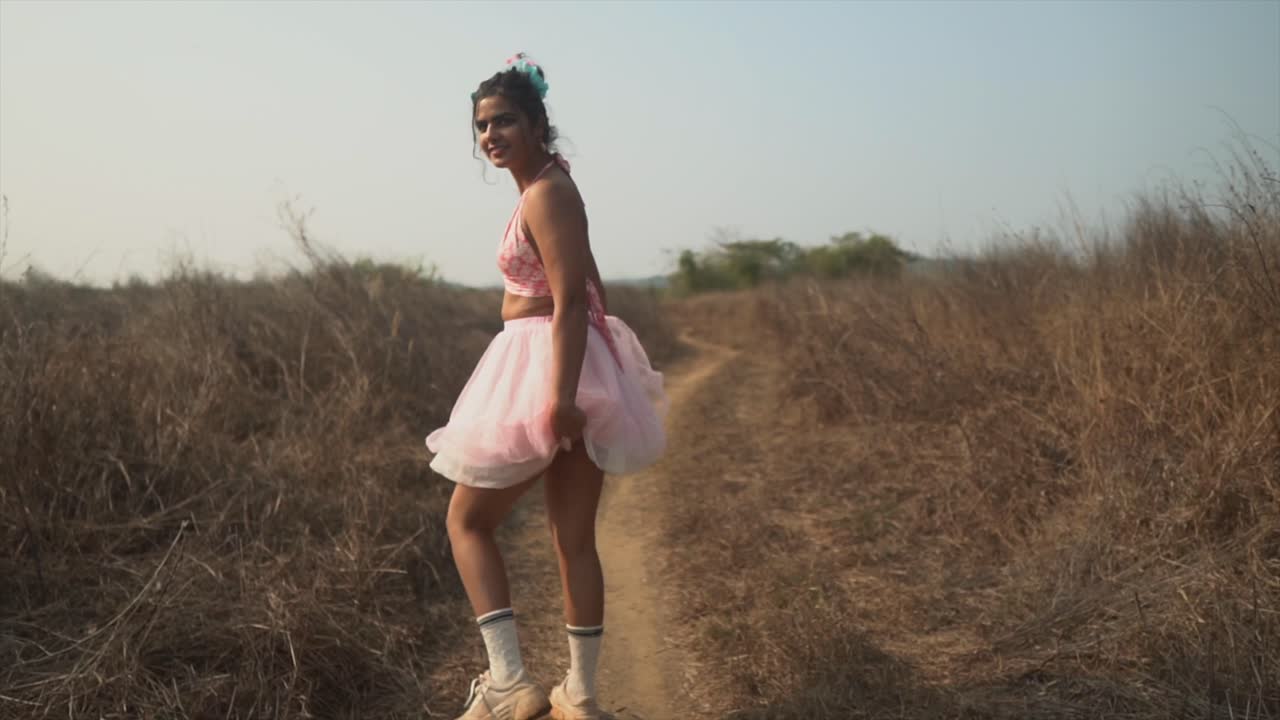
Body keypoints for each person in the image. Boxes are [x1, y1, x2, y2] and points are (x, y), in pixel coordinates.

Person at [426, 53, 667, 720]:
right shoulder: (550, 187)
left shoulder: (547, 193)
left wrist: (561, 398)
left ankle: (511, 682)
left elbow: (569, 301)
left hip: (544, 367)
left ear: (536, 124)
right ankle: (579, 696)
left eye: (504, 120)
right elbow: (595, 289)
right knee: (571, 539)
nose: (490, 135)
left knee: (467, 521)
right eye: (480, 125)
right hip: (563, 362)